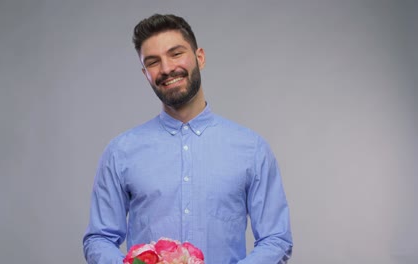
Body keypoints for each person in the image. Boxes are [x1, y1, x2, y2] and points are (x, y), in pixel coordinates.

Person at [83, 14, 293, 264]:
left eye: (176, 53)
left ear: (199, 58)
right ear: (145, 74)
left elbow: (276, 239)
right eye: (153, 62)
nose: (166, 68)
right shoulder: (120, 151)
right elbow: (99, 238)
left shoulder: (252, 149)